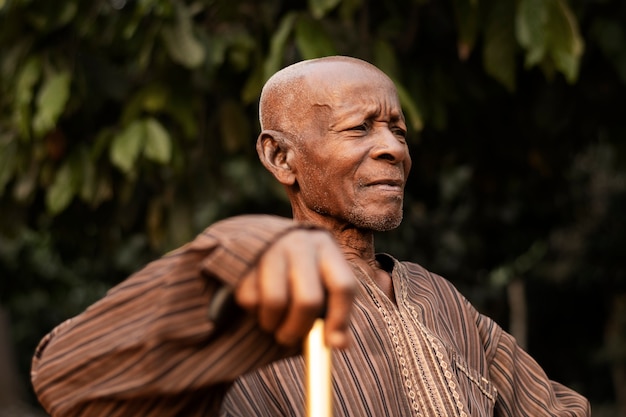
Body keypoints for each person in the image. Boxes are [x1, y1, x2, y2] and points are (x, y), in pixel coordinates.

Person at [31, 56, 590, 417]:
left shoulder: (442, 302)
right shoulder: (237, 288)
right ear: (280, 157)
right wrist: (219, 261)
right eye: (359, 127)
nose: (394, 148)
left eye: (397, 128)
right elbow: (64, 377)